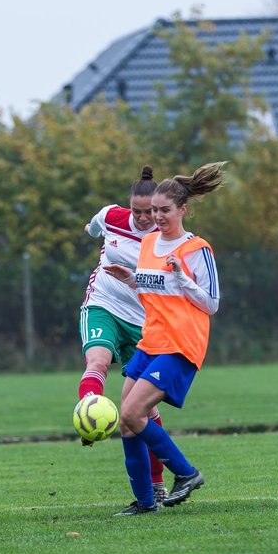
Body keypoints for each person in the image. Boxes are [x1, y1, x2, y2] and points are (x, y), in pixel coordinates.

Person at [103, 161, 225, 516]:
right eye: (153, 210)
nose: (156, 216)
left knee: (133, 412)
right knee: (126, 421)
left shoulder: (197, 249)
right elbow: (152, 292)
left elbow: (211, 303)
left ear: (183, 210)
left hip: (180, 343)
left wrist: (183, 278)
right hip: (151, 340)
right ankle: (144, 502)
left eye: (164, 210)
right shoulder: (149, 243)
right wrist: (130, 278)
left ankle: (186, 474)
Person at [77, 166, 168, 504]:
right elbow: (93, 228)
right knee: (97, 359)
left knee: (141, 410)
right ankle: (88, 412)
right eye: (138, 211)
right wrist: (91, 229)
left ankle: (157, 484)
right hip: (103, 303)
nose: (144, 218)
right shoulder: (112, 216)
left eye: (151, 212)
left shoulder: (166, 238)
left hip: (145, 324)